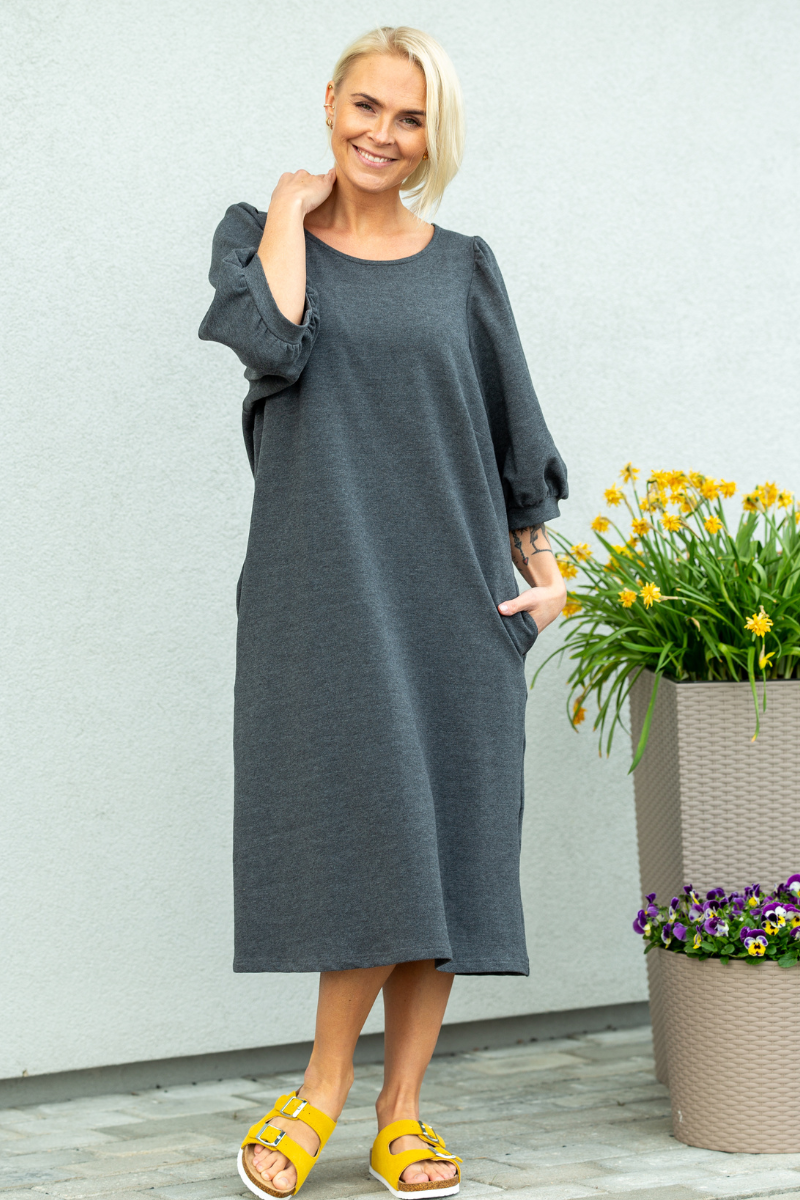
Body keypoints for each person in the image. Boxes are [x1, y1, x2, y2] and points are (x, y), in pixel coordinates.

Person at [198, 25, 568, 1200]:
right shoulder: (256, 237)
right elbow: (272, 343)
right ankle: (319, 1089)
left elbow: (511, 431)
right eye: (366, 106)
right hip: (323, 592)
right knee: (369, 834)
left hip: (458, 591)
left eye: (411, 119)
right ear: (329, 102)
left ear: (430, 136)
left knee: (446, 842)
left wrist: (541, 575)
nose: (384, 134)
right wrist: (287, 204)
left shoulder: (462, 266)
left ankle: (398, 1110)